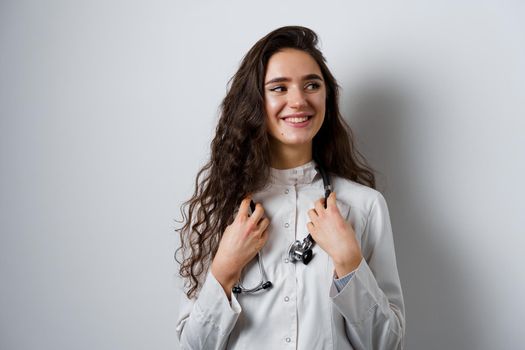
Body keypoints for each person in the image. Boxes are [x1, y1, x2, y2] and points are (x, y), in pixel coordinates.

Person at [175, 26, 405, 350]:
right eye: (279, 88)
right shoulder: (221, 207)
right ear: (255, 101)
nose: (298, 101)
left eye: (312, 84)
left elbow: (387, 345)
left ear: (327, 96)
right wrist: (224, 270)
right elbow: (192, 346)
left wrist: (349, 261)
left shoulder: (365, 206)